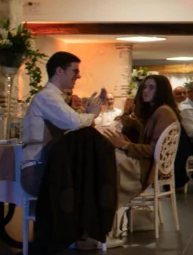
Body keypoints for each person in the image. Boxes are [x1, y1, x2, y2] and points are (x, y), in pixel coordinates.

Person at [100, 74, 181, 242]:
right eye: (144, 87)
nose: (145, 91)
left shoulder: (163, 112)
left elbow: (153, 150)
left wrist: (125, 145)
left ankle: (102, 224)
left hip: (145, 169)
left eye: (151, 87)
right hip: (146, 165)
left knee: (104, 164)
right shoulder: (159, 111)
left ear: (162, 91)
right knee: (106, 156)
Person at [20, 52, 104, 196]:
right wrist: (92, 115)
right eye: (75, 70)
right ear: (59, 71)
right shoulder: (46, 97)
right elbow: (73, 122)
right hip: (38, 170)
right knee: (93, 184)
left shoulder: (53, 97)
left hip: (48, 166)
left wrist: (87, 114)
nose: (78, 76)